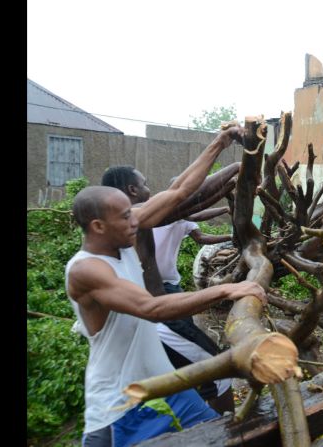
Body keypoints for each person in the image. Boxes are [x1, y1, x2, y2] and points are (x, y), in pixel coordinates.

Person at [68, 126, 270, 446]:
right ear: (98, 226)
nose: (137, 219)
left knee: (220, 436)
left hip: (167, 384)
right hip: (119, 407)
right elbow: (151, 308)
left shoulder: (123, 230)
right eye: (126, 217)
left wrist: (221, 142)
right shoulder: (87, 270)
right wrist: (225, 289)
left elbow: (179, 192)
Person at [101, 172, 235, 413]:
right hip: (155, 316)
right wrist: (236, 167)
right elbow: (186, 197)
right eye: (145, 184)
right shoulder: (133, 217)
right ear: (132, 190)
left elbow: (189, 201)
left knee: (174, 374)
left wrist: (230, 183)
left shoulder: (119, 220)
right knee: (220, 372)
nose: (149, 188)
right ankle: (229, 431)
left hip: (152, 308)